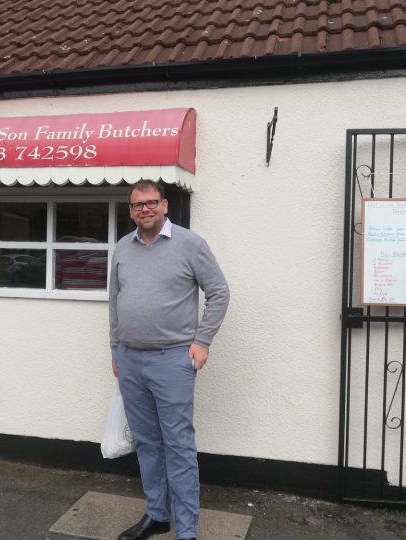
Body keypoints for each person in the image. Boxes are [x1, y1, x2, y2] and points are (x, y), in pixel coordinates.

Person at [109, 180, 230, 540]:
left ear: (164, 206)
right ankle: (157, 514)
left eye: (150, 203)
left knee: (178, 445)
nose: (144, 210)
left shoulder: (190, 244)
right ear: (130, 211)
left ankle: (187, 530)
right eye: (136, 205)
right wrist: (115, 352)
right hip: (130, 360)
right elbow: (114, 304)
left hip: (172, 360)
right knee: (147, 442)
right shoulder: (122, 248)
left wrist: (202, 341)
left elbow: (219, 291)